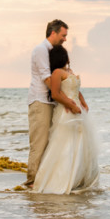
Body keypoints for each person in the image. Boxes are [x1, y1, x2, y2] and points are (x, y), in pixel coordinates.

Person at [31, 44, 101, 194]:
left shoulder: (69, 71)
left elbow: (76, 89)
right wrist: (71, 104)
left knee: (79, 143)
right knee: (65, 144)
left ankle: (78, 177)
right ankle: (62, 178)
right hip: (67, 110)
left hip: (77, 109)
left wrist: (82, 102)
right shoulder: (56, 72)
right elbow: (56, 93)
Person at [26, 19, 69, 188]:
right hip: (40, 100)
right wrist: (62, 98)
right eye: (63, 35)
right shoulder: (40, 50)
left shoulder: (54, 52)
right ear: (53, 33)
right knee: (39, 142)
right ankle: (32, 182)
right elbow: (46, 78)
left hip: (50, 101)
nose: (65, 39)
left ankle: (43, 181)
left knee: (51, 143)